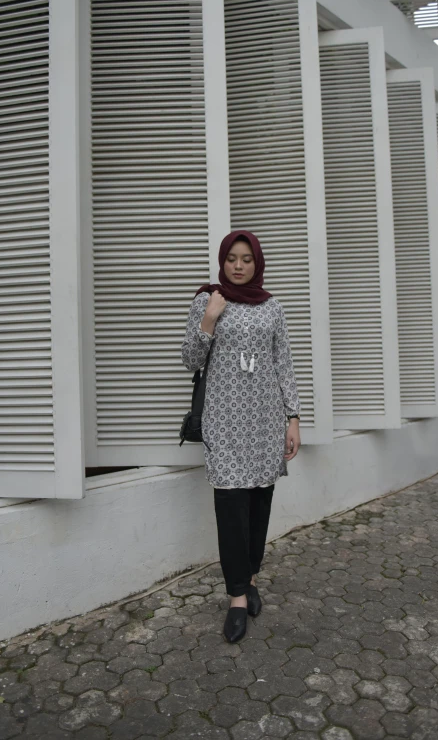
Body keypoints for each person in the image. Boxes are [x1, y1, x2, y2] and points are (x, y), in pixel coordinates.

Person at [181, 230, 301, 643]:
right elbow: (189, 360)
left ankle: (250, 577)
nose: (238, 265)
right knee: (230, 506)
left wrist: (294, 418)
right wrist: (210, 318)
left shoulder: (273, 307)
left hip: (265, 423)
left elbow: (282, 362)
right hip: (224, 423)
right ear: (222, 260)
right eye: (231, 257)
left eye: (246, 259)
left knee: (259, 504)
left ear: (257, 263)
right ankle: (236, 596)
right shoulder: (207, 299)